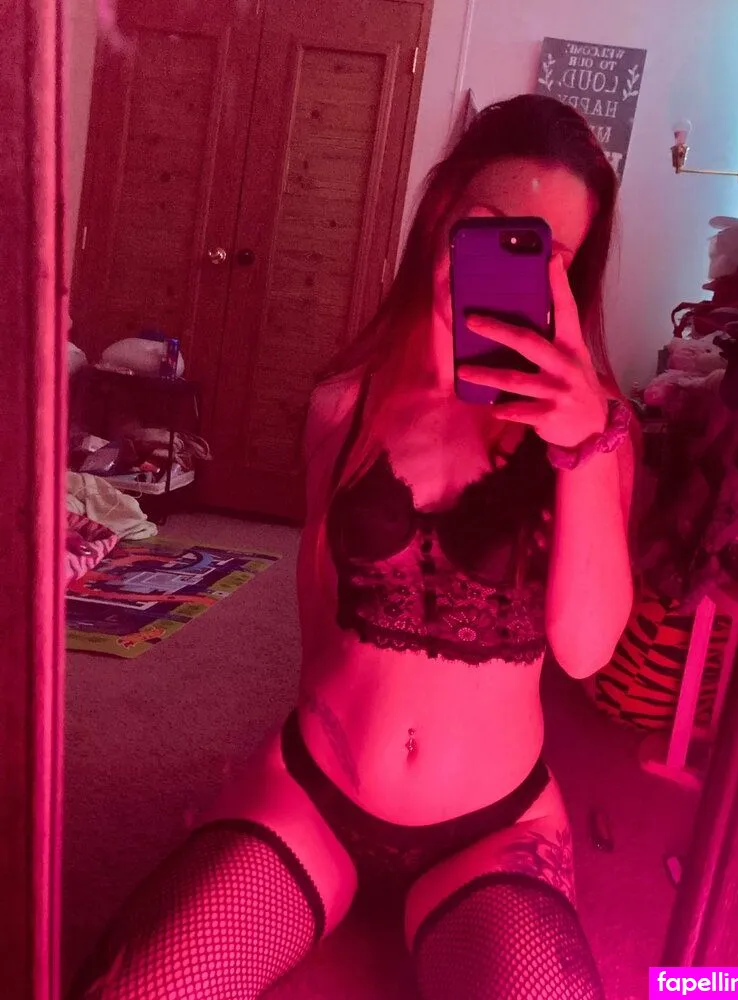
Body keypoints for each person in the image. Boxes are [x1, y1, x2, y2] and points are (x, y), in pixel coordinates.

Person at [70, 94, 635, 1000]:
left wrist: (584, 447)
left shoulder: (596, 432)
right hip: (314, 795)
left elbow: (587, 649)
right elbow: (320, 608)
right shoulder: (344, 403)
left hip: (492, 828)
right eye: (492, 225)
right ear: (441, 206)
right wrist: (259, 779)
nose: (510, 263)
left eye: (548, 254)